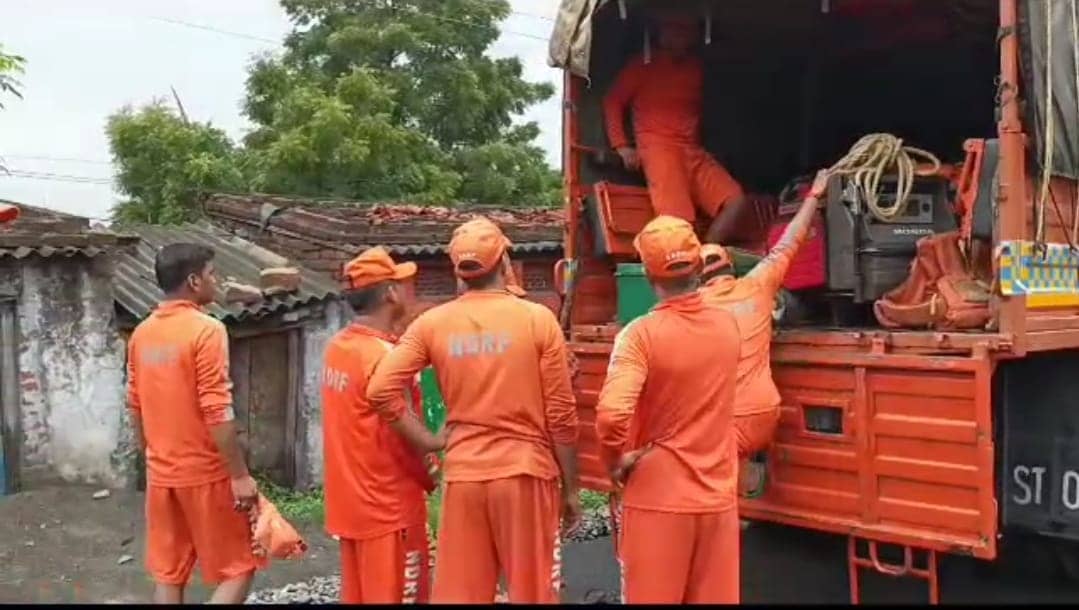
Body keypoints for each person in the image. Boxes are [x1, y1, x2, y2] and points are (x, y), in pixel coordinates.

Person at [367, 217, 580, 604]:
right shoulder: (537, 319)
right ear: (504, 263)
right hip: (525, 474)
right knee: (533, 593)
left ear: (459, 272)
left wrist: (430, 440)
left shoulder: (432, 323)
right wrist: (571, 487)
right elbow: (562, 415)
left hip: (464, 475)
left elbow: (381, 390)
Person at [595, 215, 742, 603]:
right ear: (698, 266)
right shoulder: (728, 327)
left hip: (658, 498)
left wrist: (615, 462)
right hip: (718, 499)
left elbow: (612, 416)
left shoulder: (640, 335)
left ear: (646, 274)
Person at [126, 243, 260, 604]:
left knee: (170, 574)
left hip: (162, 473)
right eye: (212, 274)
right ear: (193, 280)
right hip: (206, 472)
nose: (216, 281)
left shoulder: (142, 334)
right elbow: (217, 408)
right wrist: (239, 475)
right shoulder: (207, 330)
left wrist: (152, 458)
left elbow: (135, 406)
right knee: (239, 567)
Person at [321, 246, 443, 604]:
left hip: (350, 507)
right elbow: (407, 438)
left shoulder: (337, 348)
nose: (408, 291)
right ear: (390, 293)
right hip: (390, 510)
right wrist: (433, 459)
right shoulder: (387, 358)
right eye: (402, 283)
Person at [698, 171, 828, 497]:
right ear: (730, 267)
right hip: (764, 415)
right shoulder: (757, 286)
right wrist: (814, 195)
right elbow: (790, 241)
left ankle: (730, 502)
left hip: (726, 423)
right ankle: (752, 465)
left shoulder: (690, 309)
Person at [603, 14, 749, 245]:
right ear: (660, 34)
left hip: (691, 148)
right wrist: (622, 146)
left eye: (686, 31)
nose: (679, 36)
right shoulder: (642, 64)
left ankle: (707, 254)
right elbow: (613, 102)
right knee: (678, 222)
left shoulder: (695, 69)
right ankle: (688, 269)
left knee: (736, 201)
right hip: (659, 148)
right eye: (673, 29)